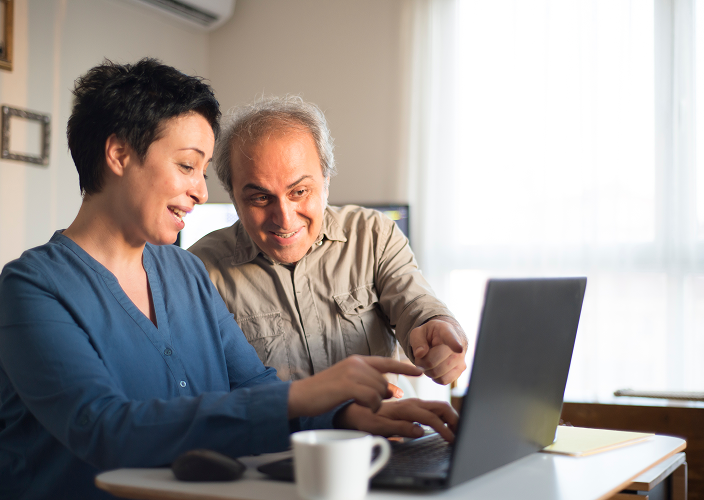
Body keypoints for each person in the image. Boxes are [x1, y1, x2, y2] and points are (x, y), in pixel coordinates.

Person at [0, 59, 457, 500]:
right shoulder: (31, 288)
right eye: (186, 166)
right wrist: (307, 394)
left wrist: (351, 415)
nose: (200, 190)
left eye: (202, 171)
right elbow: (103, 429)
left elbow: (252, 386)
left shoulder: (184, 272)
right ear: (119, 153)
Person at [189, 95, 468, 385]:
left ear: (326, 182)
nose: (284, 218)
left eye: (299, 192)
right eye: (260, 198)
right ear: (234, 198)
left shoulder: (374, 235)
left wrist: (437, 327)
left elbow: (416, 304)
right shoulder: (199, 272)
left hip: (387, 430)